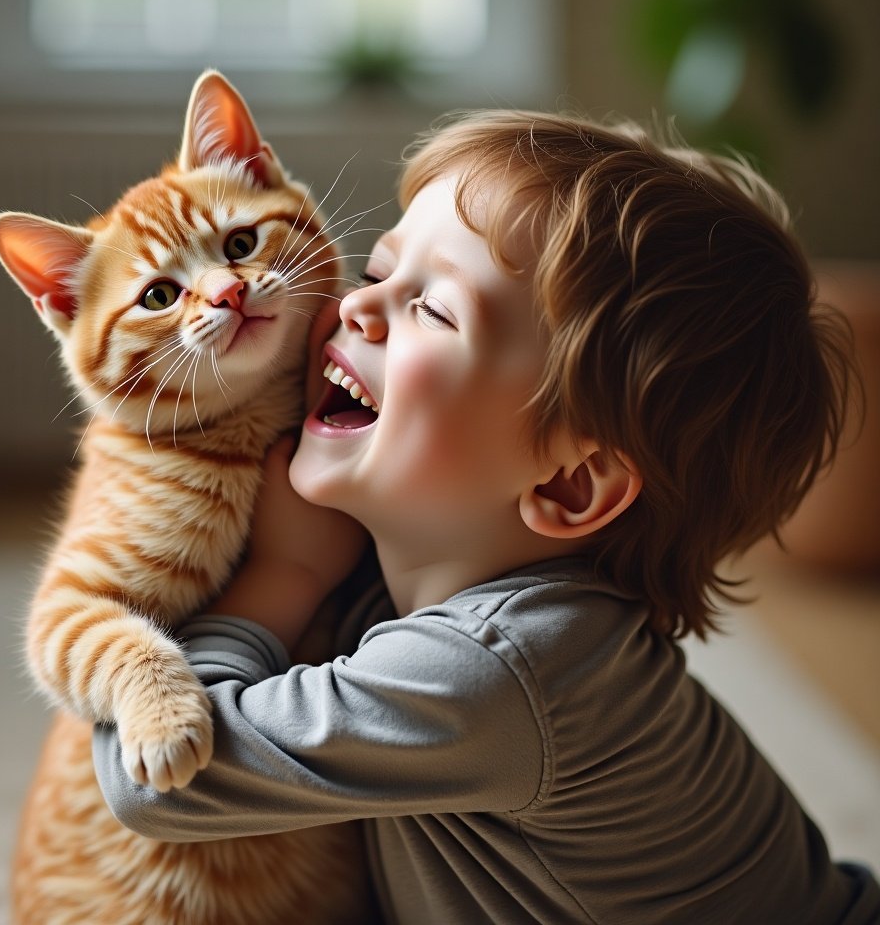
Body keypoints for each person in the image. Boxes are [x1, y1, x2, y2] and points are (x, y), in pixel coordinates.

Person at [93, 110, 880, 924]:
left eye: (432, 311)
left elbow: (153, 779)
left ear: (571, 487)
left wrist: (280, 576)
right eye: (377, 269)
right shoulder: (437, 583)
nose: (360, 308)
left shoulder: (497, 670)